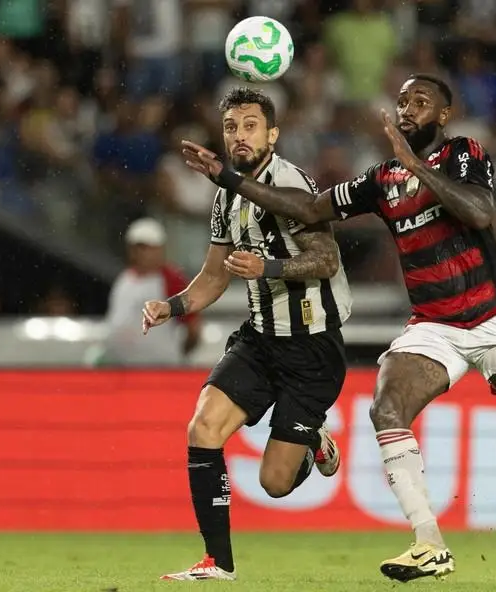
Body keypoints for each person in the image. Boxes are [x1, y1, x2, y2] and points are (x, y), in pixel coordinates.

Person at [183, 74, 496, 582]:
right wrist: (228, 178)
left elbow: (480, 212)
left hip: (495, 316)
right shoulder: (381, 179)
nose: (407, 108)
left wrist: (417, 167)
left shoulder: (464, 154)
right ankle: (429, 542)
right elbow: (309, 208)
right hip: (435, 324)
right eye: (402, 100)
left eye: (421, 102)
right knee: (386, 405)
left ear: (444, 116)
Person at [143, 88, 353, 581]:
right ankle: (218, 562)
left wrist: (269, 266)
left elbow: (327, 259)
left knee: (275, 483)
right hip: (260, 339)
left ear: (272, 134)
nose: (240, 135)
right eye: (232, 127)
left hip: (312, 348)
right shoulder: (225, 197)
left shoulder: (293, 184)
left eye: (251, 125)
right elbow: (214, 276)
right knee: (202, 428)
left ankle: (313, 442)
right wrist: (169, 307)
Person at [104, 218, 201, 366]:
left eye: (147, 248)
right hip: (122, 367)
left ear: (160, 249)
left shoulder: (171, 279)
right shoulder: (124, 279)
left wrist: (178, 354)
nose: (142, 253)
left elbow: (193, 327)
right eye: (138, 248)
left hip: (160, 367)